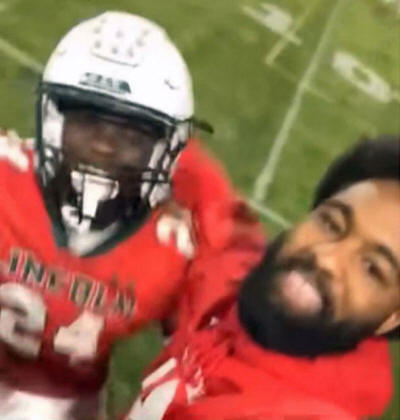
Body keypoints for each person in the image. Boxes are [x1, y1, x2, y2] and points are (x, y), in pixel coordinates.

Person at [0, 11, 263, 420]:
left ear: (168, 148)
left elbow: (215, 352)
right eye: (88, 119)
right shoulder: (7, 179)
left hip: (59, 400)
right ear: (54, 117)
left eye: (131, 134)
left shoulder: (177, 249)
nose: (104, 146)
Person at [125, 136, 400, 420]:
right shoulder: (238, 284)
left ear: (393, 318)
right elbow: (217, 221)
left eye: (372, 269)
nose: (326, 259)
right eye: (331, 223)